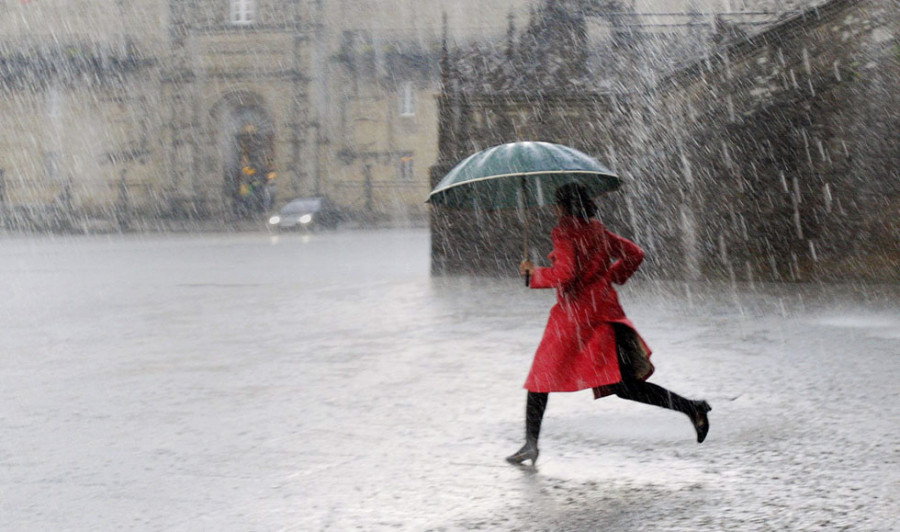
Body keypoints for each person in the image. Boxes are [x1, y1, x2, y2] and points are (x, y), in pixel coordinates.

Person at [507, 183, 711, 466]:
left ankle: (531, 444)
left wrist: (533, 275)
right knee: (624, 386)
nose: (554, 209)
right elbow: (635, 254)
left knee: (540, 378)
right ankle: (692, 408)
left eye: (556, 204)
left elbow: (566, 274)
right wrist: (611, 276)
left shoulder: (564, 231)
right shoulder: (597, 230)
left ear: (564, 206)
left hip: (576, 320)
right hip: (604, 313)